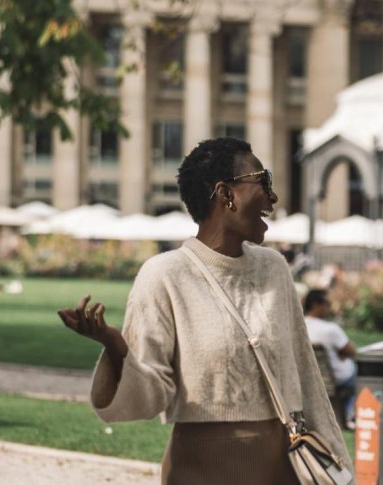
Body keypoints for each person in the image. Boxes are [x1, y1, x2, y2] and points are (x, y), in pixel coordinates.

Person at [57, 137, 351, 483]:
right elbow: (149, 397)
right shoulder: (164, 275)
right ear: (226, 194)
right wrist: (115, 345)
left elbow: (307, 378)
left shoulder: (274, 269)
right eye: (263, 181)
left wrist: (343, 469)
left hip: (280, 469)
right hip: (200, 470)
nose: (272, 198)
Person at [302, 289, 358, 426]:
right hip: (336, 380)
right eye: (327, 303)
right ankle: (351, 413)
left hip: (307, 379)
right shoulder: (330, 329)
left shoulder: (298, 326)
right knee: (357, 371)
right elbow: (352, 351)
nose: (329, 307)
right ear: (315, 304)